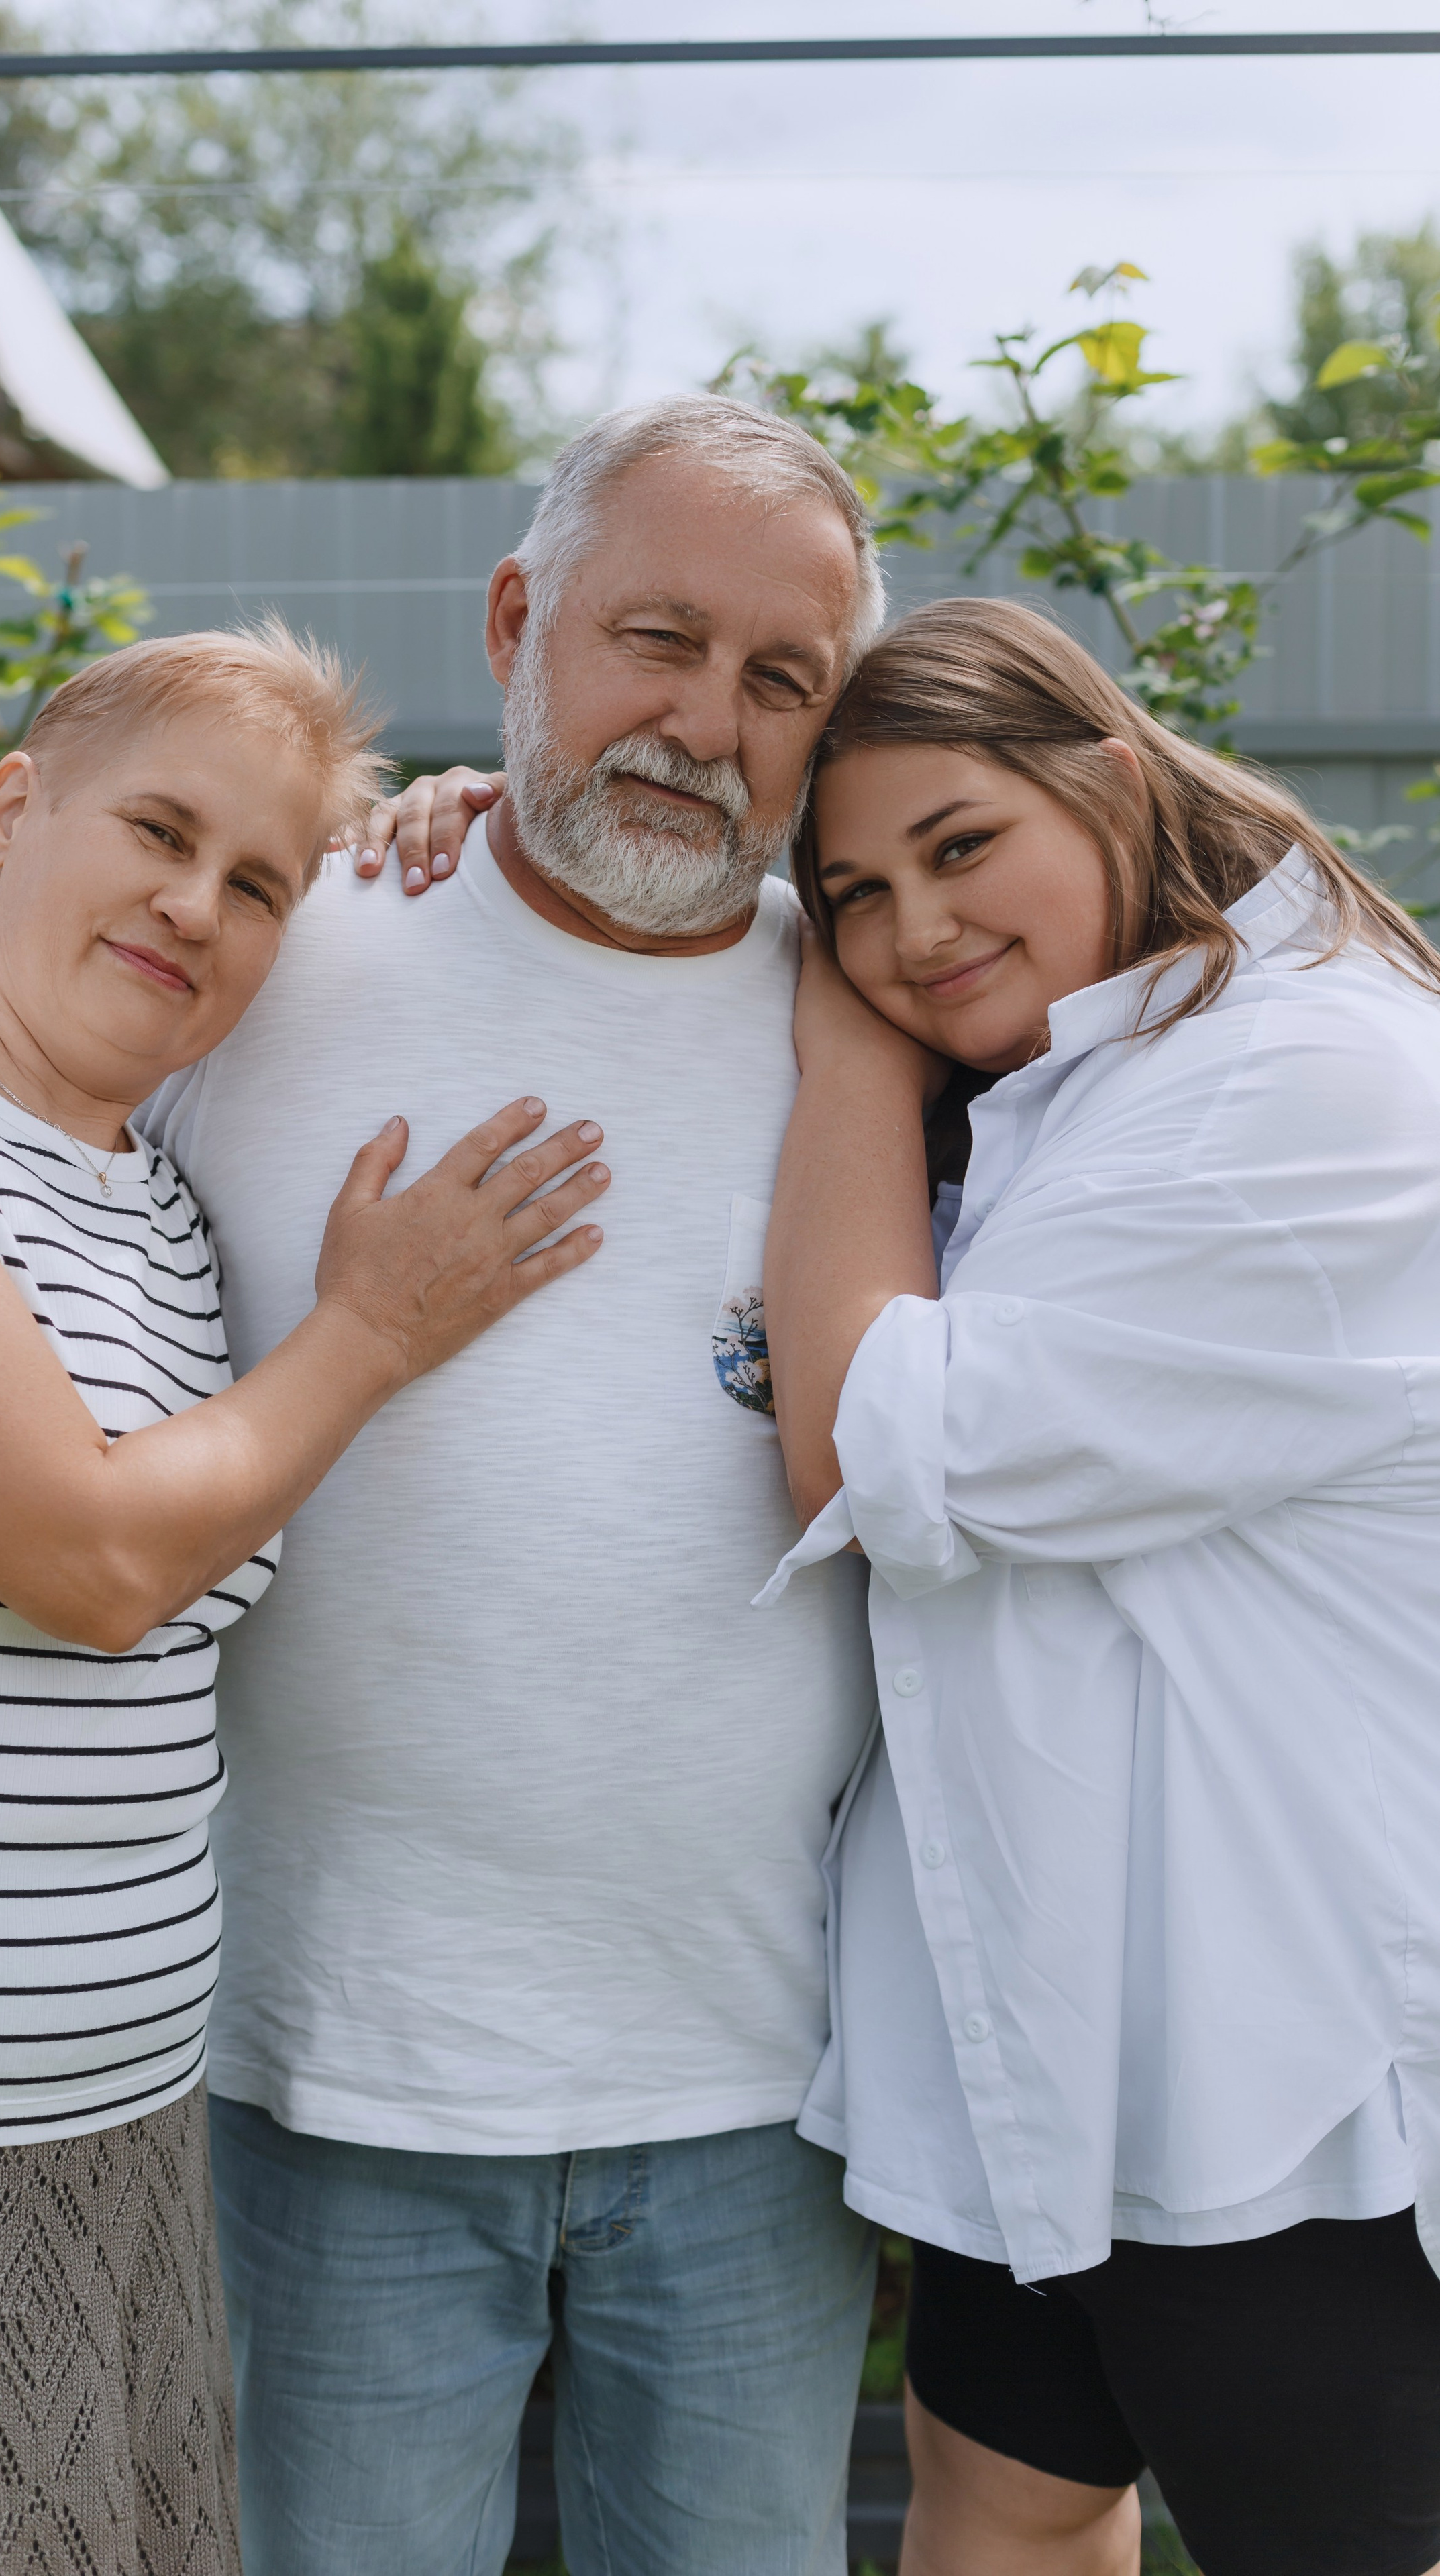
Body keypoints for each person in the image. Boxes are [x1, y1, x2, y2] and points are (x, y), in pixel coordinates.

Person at [0, 622, 608, 2576]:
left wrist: (460, 831)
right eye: (160, 830)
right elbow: (95, 1556)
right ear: (14, 808)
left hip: (108, 2150)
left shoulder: (165, 1223)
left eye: (263, 881)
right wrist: (376, 1329)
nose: (196, 906)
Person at [140, 396, 885, 2576]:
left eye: (781, 681)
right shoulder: (268, 964)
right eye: (652, 641)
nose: (703, 723)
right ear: (516, 620)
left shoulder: (884, 1025)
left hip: (763, 2083)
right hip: (327, 2070)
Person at [760, 594, 1440, 2576]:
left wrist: (834, 1037)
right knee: (1010, 2512)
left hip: (1277, 2062)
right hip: (1043, 2022)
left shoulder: (1314, 1081)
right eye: (857, 894)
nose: (915, 933)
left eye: (961, 848)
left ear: (1111, 782)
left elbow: (874, 1435)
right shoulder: (1087, 1079)